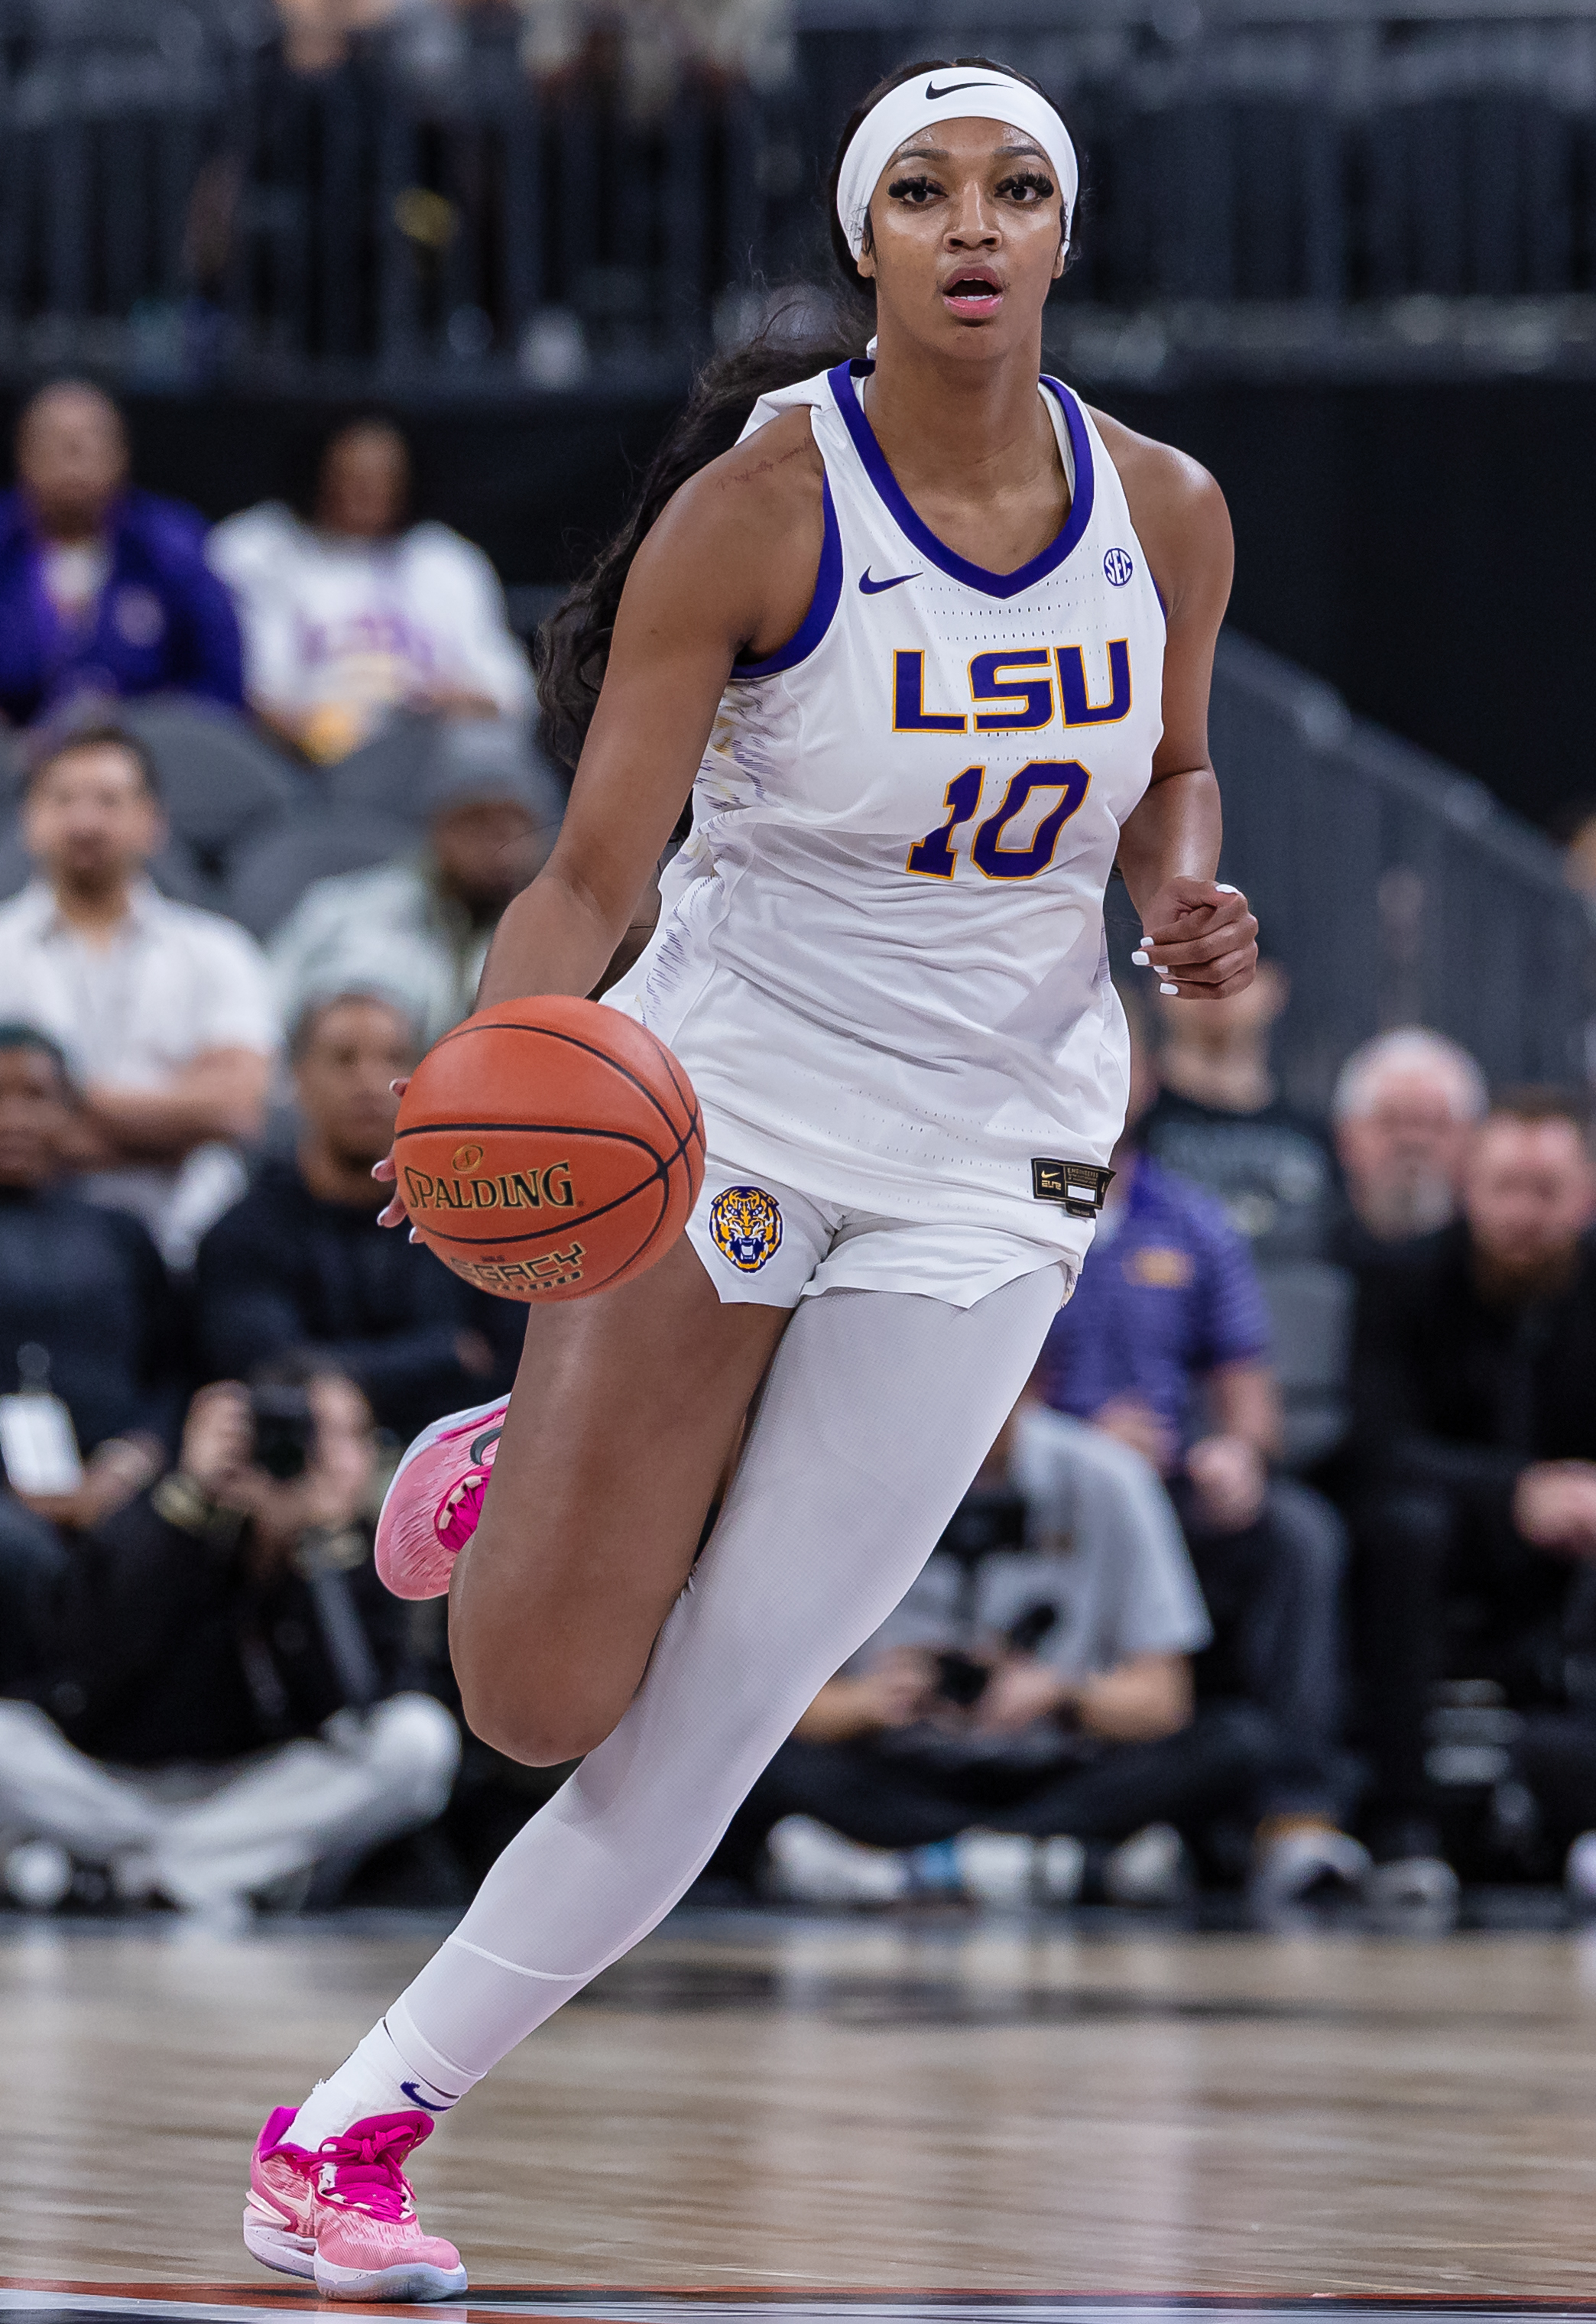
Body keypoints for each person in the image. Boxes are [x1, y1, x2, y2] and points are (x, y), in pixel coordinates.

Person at [239, 60, 1257, 2302]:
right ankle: (543, 1453)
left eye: (1012, 189)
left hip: (1003, 1147)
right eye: (924, 189)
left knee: (734, 1692)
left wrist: (1188, 887)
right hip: (725, 1105)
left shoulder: (1167, 504)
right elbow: (599, 857)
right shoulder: (760, 507)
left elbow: (1174, 763)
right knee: (534, 1696)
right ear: (865, 241)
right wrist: (487, 1077)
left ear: (1060, 239)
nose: (972, 223)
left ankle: (348, 2124)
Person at [1033, 993, 1364, 1907]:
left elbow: (1246, 1387)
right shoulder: (1017, 1201)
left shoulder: (1192, 1220)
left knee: (1297, 1534)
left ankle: (1298, 1818)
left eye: (1122, 1056)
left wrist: (1240, 1453)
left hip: (1168, 1486)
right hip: (1037, 1486)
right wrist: (1074, 1439)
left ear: (1149, 1079)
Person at [711, 1399, 1276, 1908]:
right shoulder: (850, 1481)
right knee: (740, 1757)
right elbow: (784, 1710)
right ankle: (1059, 1864)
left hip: (1056, 1764)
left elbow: (1164, 1700)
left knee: (1236, 1742)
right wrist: (870, 1701)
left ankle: (915, 1864)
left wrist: (1062, 1695)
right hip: (902, 1762)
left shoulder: (1107, 1477)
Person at [0, 1366, 459, 1914]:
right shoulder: (175, 1513)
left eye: (344, 1435)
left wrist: (313, 1549)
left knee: (419, 1739)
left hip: (262, 1791)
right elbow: (86, 1656)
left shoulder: (361, 1550)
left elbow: (361, 1702)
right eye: (300, 1431)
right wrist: (188, 1503)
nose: (313, 1455)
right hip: (115, 1785)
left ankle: (126, 1875)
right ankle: (210, 1872)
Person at [1350, 1091, 1596, 1913]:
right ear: (1467, 1185)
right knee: (1402, 1527)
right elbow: (1381, 1443)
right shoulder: (1402, 1276)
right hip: (1453, 1528)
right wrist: (1517, 1493)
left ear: (1586, 1193)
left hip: (1581, 1528)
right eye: (1506, 1187)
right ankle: (1403, 1822)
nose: (1524, 1212)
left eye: (1547, 1190)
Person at [0, 724, 280, 1264]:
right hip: (19, 1256)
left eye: (109, 801)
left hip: (188, 1240)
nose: (85, 821)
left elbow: (237, 1110)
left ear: (154, 823)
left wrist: (59, 1108)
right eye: (63, 800)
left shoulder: (218, 950)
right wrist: (173, 1131)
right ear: (30, 821)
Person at [196, 991, 513, 1443]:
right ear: (296, 1077)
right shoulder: (243, 1233)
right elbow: (272, 1372)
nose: (370, 1081)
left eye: (394, 1059)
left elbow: (510, 1366)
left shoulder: (477, 1217)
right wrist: (445, 1355)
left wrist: (344, 1376)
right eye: (344, 1060)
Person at [0, 1024, 180, 1690]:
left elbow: (180, 1370)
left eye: (35, 1096)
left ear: (71, 1114)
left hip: (120, 1481)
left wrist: (131, 1461)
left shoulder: (120, 1232)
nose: (14, 1116)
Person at [208, 411, 534, 765]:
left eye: (386, 477)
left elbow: (513, 695)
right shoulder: (256, 548)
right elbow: (248, 691)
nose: (369, 489)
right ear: (318, 472)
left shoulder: (445, 559)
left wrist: (458, 702)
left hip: (435, 752)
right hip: (306, 761)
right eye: (353, 476)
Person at [268, 730, 560, 1044]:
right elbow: (268, 1023)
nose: (497, 841)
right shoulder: (342, 913)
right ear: (437, 826)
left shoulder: (560, 939)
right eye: (475, 820)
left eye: (513, 822)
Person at [0, 381, 243, 729]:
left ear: (122, 454)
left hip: (148, 755)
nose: (74, 451)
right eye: (54, 440)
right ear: (22, 453)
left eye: (91, 439)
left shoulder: (173, 544)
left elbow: (220, 685)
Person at [1140, 956, 1340, 1264]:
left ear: (1277, 988)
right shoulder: (1126, 1131)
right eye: (1192, 967)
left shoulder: (1318, 1140)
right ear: (1158, 985)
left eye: (1237, 966)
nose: (1214, 980)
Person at [1329, 1025, 1486, 1262]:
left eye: (1435, 1124)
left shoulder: (1495, 1272)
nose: (1413, 1141)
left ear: (1474, 1141)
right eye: (1391, 1122)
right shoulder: (1307, 1259)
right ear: (1345, 1139)